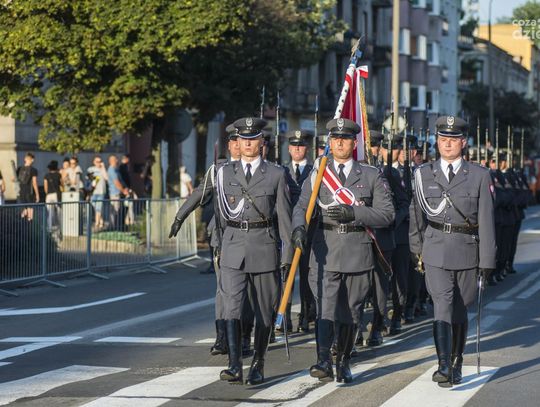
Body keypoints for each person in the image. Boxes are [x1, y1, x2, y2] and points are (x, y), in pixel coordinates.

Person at [171, 117, 293, 386]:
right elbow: (202, 194)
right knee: (231, 307)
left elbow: (284, 219)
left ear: (261, 142)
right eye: (243, 140)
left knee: (264, 312)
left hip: (264, 248)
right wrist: (180, 215)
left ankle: (258, 362)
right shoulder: (224, 172)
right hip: (233, 246)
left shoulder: (276, 174)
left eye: (253, 139)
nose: (247, 144)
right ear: (237, 142)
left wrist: (287, 257)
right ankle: (234, 364)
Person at [292, 118, 395, 383]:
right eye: (335, 138)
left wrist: (355, 213)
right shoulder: (319, 172)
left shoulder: (370, 175)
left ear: (354, 143)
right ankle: (323, 360)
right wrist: (299, 228)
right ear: (330, 141)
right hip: (324, 249)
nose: (339, 143)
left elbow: (387, 214)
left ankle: (344, 360)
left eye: (345, 138)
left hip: (357, 250)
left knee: (351, 311)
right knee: (325, 308)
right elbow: (302, 206)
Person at [409, 115, 496, 387]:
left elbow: (486, 220)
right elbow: (416, 216)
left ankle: (457, 360)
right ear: (437, 141)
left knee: (459, 308)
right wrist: (417, 249)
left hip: (467, 250)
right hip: (435, 249)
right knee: (442, 306)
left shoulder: (479, 175)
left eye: (453, 140)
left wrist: (487, 259)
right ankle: (443, 364)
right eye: (443, 139)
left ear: (463, 143)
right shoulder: (423, 174)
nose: (447, 144)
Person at [285, 130, 315, 333]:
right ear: (289, 148)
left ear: (307, 149)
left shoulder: (314, 172)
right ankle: (285, 318)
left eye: (301, 145)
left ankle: (305, 315)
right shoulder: (281, 171)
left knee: (306, 276)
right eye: (294, 145)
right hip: (287, 231)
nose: (297, 149)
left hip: (308, 231)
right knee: (286, 276)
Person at [87, 156, 109, 230]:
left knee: (99, 208)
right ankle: (101, 222)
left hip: (101, 192)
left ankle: (97, 224)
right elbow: (88, 179)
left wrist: (103, 168)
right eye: (97, 161)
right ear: (94, 162)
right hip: (93, 192)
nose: (98, 163)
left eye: (100, 161)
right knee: (96, 208)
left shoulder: (102, 169)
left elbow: (106, 178)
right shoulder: (91, 169)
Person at [107, 155, 129, 229]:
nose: (117, 161)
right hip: (115, 193)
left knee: (119, 210)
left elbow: (121, 180)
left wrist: (126, 188)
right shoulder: (111, 170)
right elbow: (116, 182)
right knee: (115, 210)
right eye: (115, 159)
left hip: (119, 193)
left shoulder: (116, 170)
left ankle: (118, 225)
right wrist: (123, 190)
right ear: (111, 161)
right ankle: (114, 227)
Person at [16, 153, 39, 220]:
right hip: (29, 192)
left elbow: (16, 179)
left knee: (24, 209)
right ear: (32, 160)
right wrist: (37, 194)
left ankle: (22, 223)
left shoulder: (19, 169)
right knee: (30, 211)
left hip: (21, 192)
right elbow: (34, 183)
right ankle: (29, 222)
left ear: (25, 159)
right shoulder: (33, 170)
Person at [43, 160, 62, 230]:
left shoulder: (46, 176)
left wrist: (47, 193)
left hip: (49, 195)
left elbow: (45, 187)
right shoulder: (58, 175)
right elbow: (61, 184)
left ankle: (49, 227)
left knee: (50, 212)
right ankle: (60, 227)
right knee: (59, 211)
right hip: (57, 194)